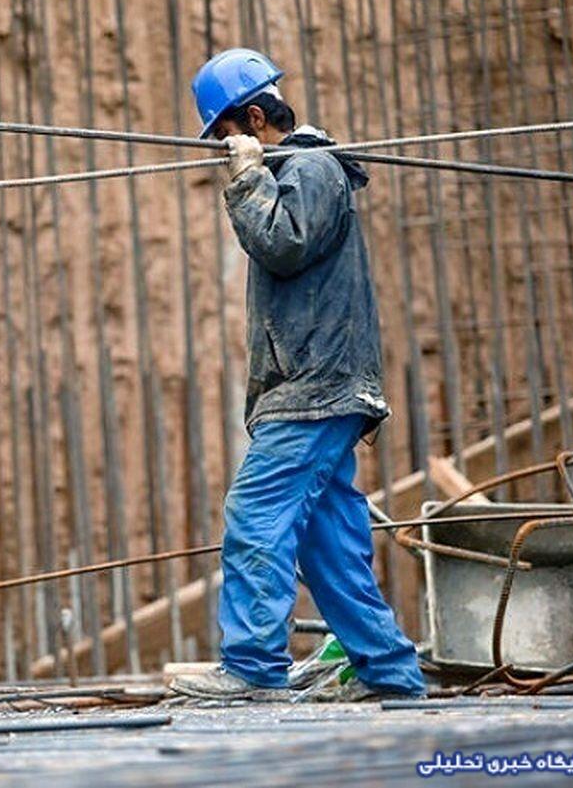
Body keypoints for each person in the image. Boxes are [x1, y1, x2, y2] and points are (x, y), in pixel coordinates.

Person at [171, 49, 425, 702]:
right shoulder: (299, 170)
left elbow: (281, 245)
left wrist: (249, 179)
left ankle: (253, 665)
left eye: (225, 135)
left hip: (314, 387)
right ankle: (389, 670)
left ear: (254, 117)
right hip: (318, 384)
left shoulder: (312, 167)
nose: (219, 151)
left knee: (256, 512)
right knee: (329, 542)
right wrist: (259, 173)